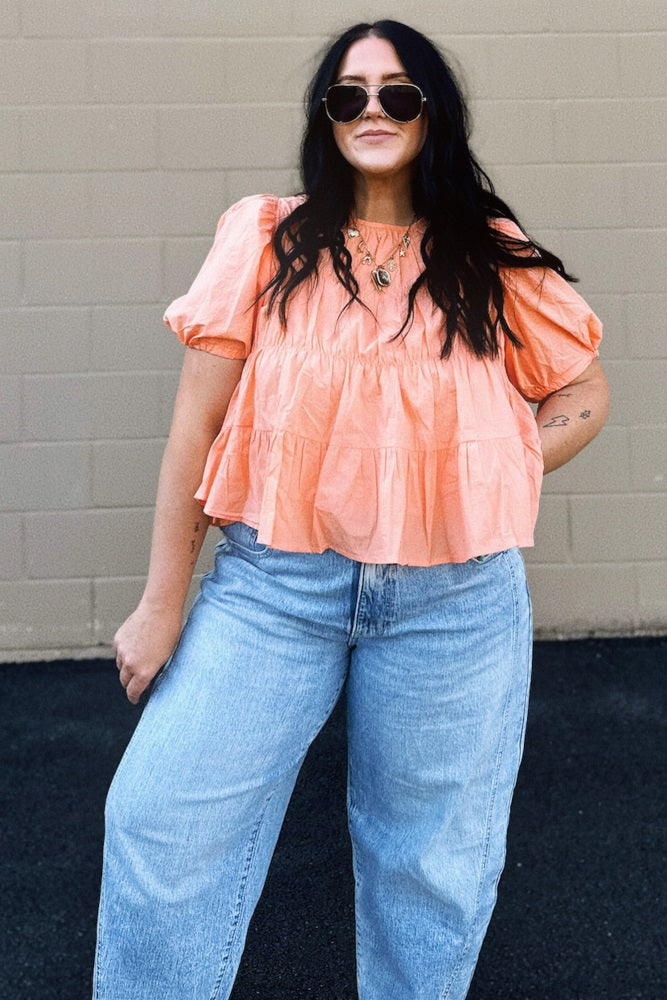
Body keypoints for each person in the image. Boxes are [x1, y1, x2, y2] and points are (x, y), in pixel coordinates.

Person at [93, 20, 609, 1000]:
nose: (373, 109)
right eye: (349, 94)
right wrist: (161, 602)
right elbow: (196, 429)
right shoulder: (265, 238)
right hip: (273, 587)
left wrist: (502, 461)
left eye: (398, 93)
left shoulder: (489, 254)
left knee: (430, 866)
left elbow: (581, 390)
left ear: (431, 113)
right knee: (159, 817)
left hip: (455, 601)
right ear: (326, 116)